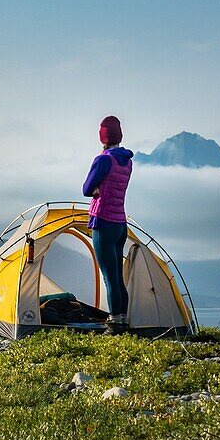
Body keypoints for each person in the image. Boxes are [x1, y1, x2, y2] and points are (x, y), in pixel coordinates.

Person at [82, 115, 133, 333]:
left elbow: (86, 189)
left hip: (103, 222)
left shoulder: (103, 160)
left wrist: (95, 190)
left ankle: (114, 323)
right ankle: (123, 320)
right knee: (117, 275)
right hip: (121, 223)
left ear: (103, 137)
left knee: (109, 276)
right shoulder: (127, 161)